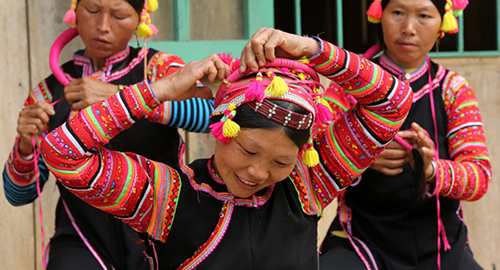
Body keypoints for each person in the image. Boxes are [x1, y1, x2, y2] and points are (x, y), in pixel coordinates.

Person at [39, 27, 412, 269]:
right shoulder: (165, 197)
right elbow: (60, 153)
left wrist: (313, 49)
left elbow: (393, 102)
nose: (259, 173)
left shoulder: (308, 183)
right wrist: (162, 90)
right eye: (249, 151)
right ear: (221, 127)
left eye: (281, 161)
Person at [3, 0, 213, 270]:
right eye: (92, 10)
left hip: (161, 227)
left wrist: (119, 96)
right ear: (75, 10)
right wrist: (25, 146)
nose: (103, 26)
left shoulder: (159, 69)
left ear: (141, 18)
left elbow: (213, 116)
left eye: (119, 16)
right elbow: (18, 196)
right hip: (82, 239)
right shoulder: (49, 91)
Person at [319, 0, 492, 270]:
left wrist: (430, 169)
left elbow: (478, 177)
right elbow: (313, 150)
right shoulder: (349, 83)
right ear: (379, 13)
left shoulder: (453, 88)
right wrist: (360, 156)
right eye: (397, 12)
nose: (409, 27)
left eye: (424, 15)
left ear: (443, 23)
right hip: (361, 241)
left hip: (441, 245)